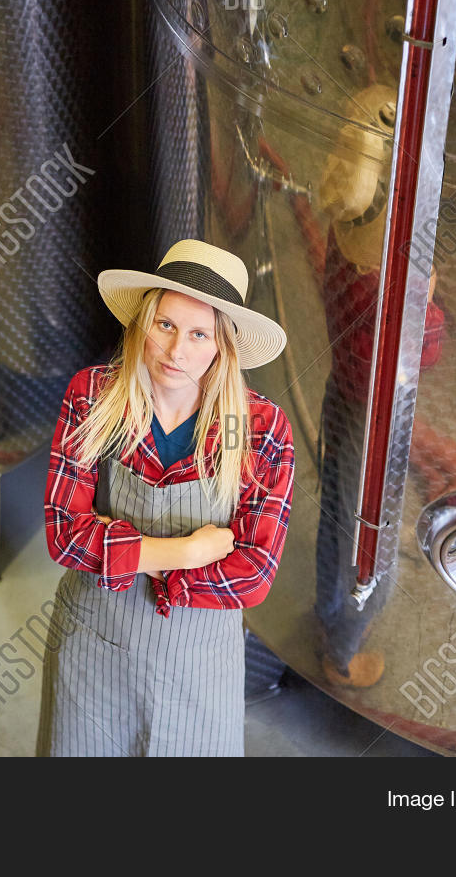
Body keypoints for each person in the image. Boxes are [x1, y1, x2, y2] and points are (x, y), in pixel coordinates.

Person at [35, 239, 296, 757]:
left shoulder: (257, 428)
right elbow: (64, 534)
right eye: (166, 325)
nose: (177, 352)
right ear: (144, 323)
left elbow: (254, 572)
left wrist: (125, 554)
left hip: (199, 661)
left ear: (223, 344)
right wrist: (187, 553)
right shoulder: (94, 396)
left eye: (199, 334)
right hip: (95, 644)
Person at [313, 90, 446, 688]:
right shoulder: (386, 282)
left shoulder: (341, 233)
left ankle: (325, 617)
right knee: (372, 541)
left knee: (334, 513)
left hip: (339, 394)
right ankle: (343, 652)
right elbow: (423, 353)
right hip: (375, 415)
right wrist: (427, 299)